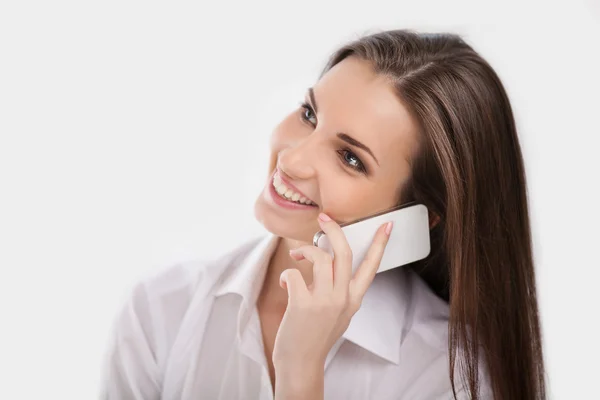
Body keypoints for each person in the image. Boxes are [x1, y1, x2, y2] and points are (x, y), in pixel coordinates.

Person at [100, 29, 547, 400]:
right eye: (310, 114)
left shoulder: (447, 375)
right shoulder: (161, 311)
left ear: (418, 218)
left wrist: (300, 372)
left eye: (350, 158)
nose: (292, 161)